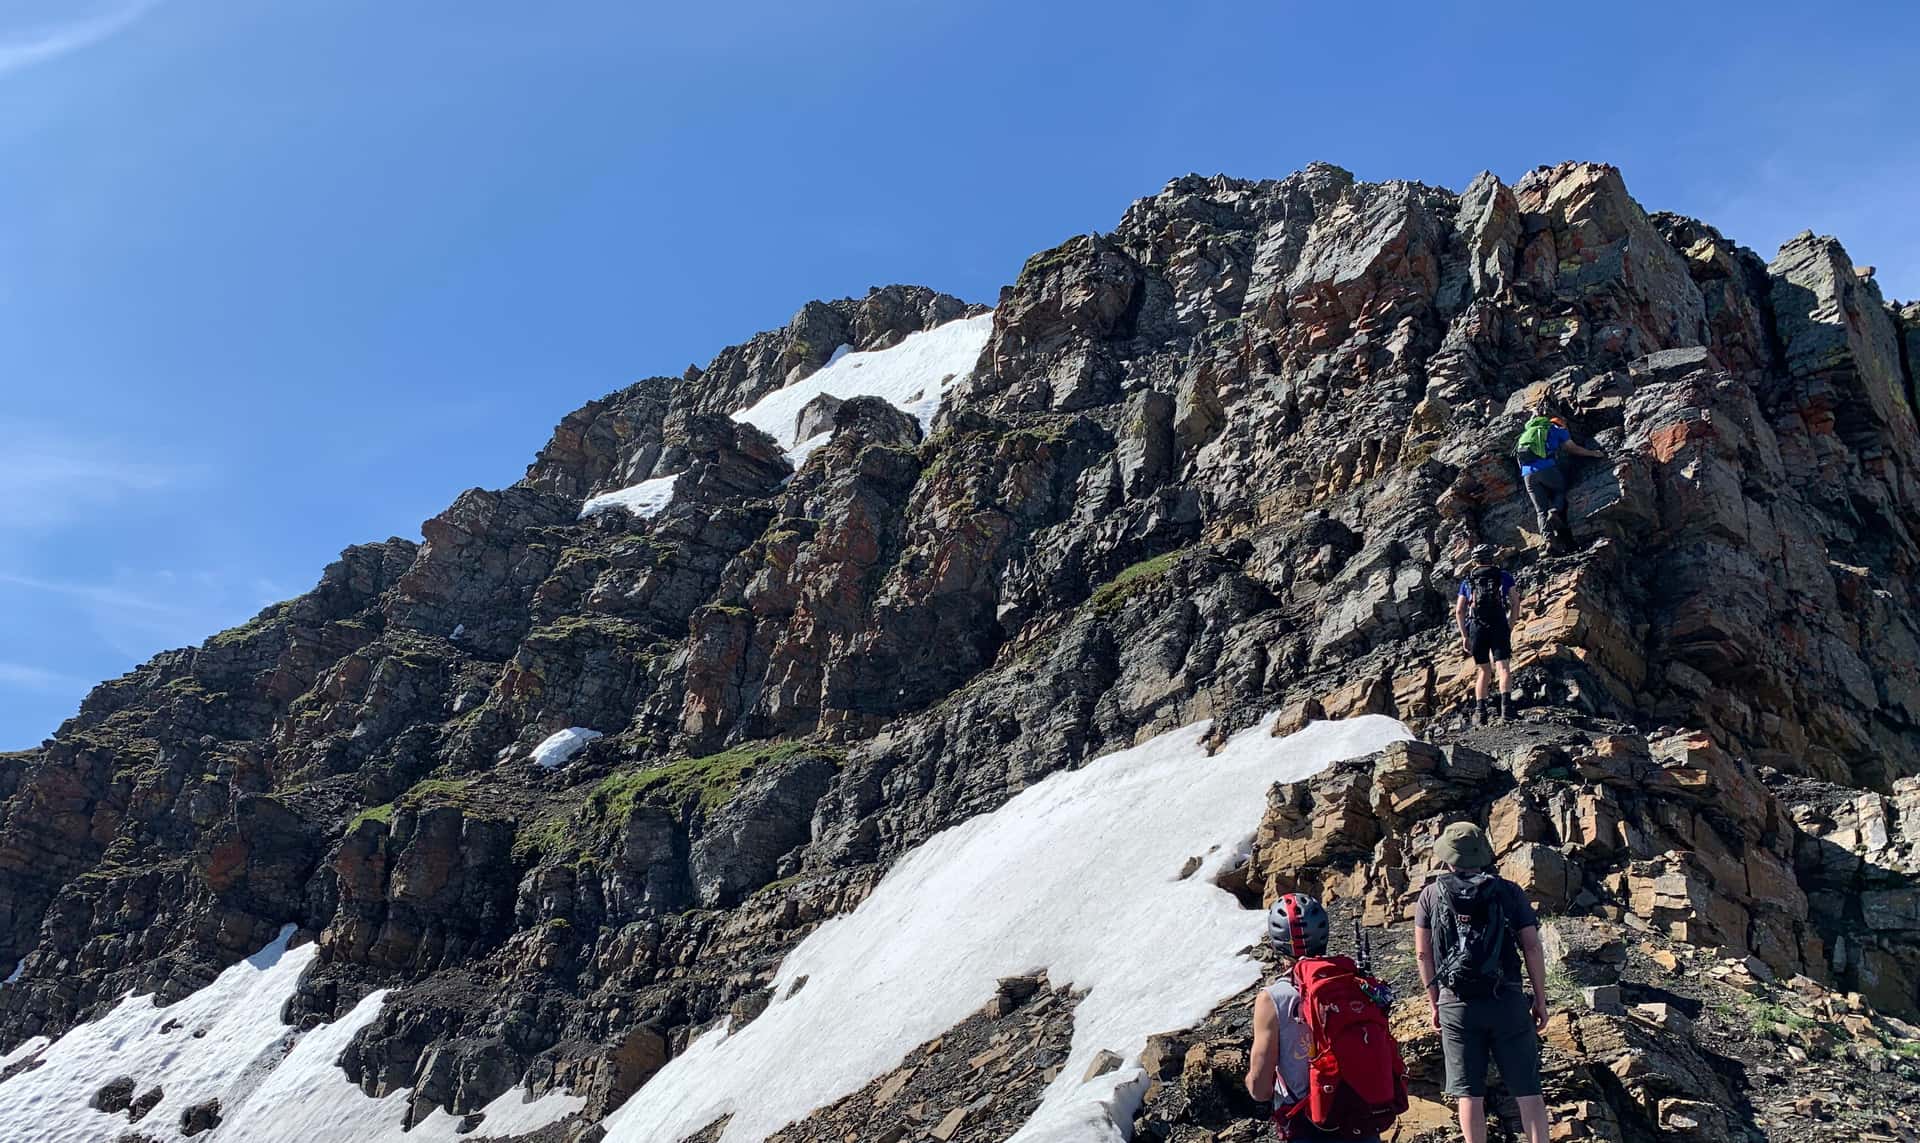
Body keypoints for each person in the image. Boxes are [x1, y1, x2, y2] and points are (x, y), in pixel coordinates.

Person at [1414, 823, 1551, 1143]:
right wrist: (1540, 999)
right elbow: (1531, 946)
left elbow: (1423, 954)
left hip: (1456, 1004)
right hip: (1508, 1000)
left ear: (1447, 856)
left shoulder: (1430, 896)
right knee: (1529, 1093)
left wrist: (1435, 1001)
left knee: (1469, 1096)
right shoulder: (1509, 891)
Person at [1245, 894, 1390, 1143]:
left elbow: (1260, 1089)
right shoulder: (1354, 982)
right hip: (1361, 1113)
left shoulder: (1272, 999)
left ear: (1276, 943)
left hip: (1308, 1123)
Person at [1515, 410, 1606, 552]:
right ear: (1560, 424)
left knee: (1540, 511)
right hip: (1546, 468)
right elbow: (1572, 449)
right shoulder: (1557, 430)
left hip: (1527, 474)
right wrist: (1593, 453)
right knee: (1561, 489)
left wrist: (1534, 412)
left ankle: (1549, 542)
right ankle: (1555, 511)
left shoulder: (1528, 432)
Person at [1455, 545, 1516, 725]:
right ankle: (1506, 709)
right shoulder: (1503, 576)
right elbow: (1515, 603)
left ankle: (1480, 712)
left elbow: (1459, 611)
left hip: (1477, 627)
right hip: (1499, 624)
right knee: (1503, 667)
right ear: (1492, 558)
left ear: (1475, 561)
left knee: (1484, 670)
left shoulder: (1468, 581)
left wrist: (1465, 636)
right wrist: (1509, 625)